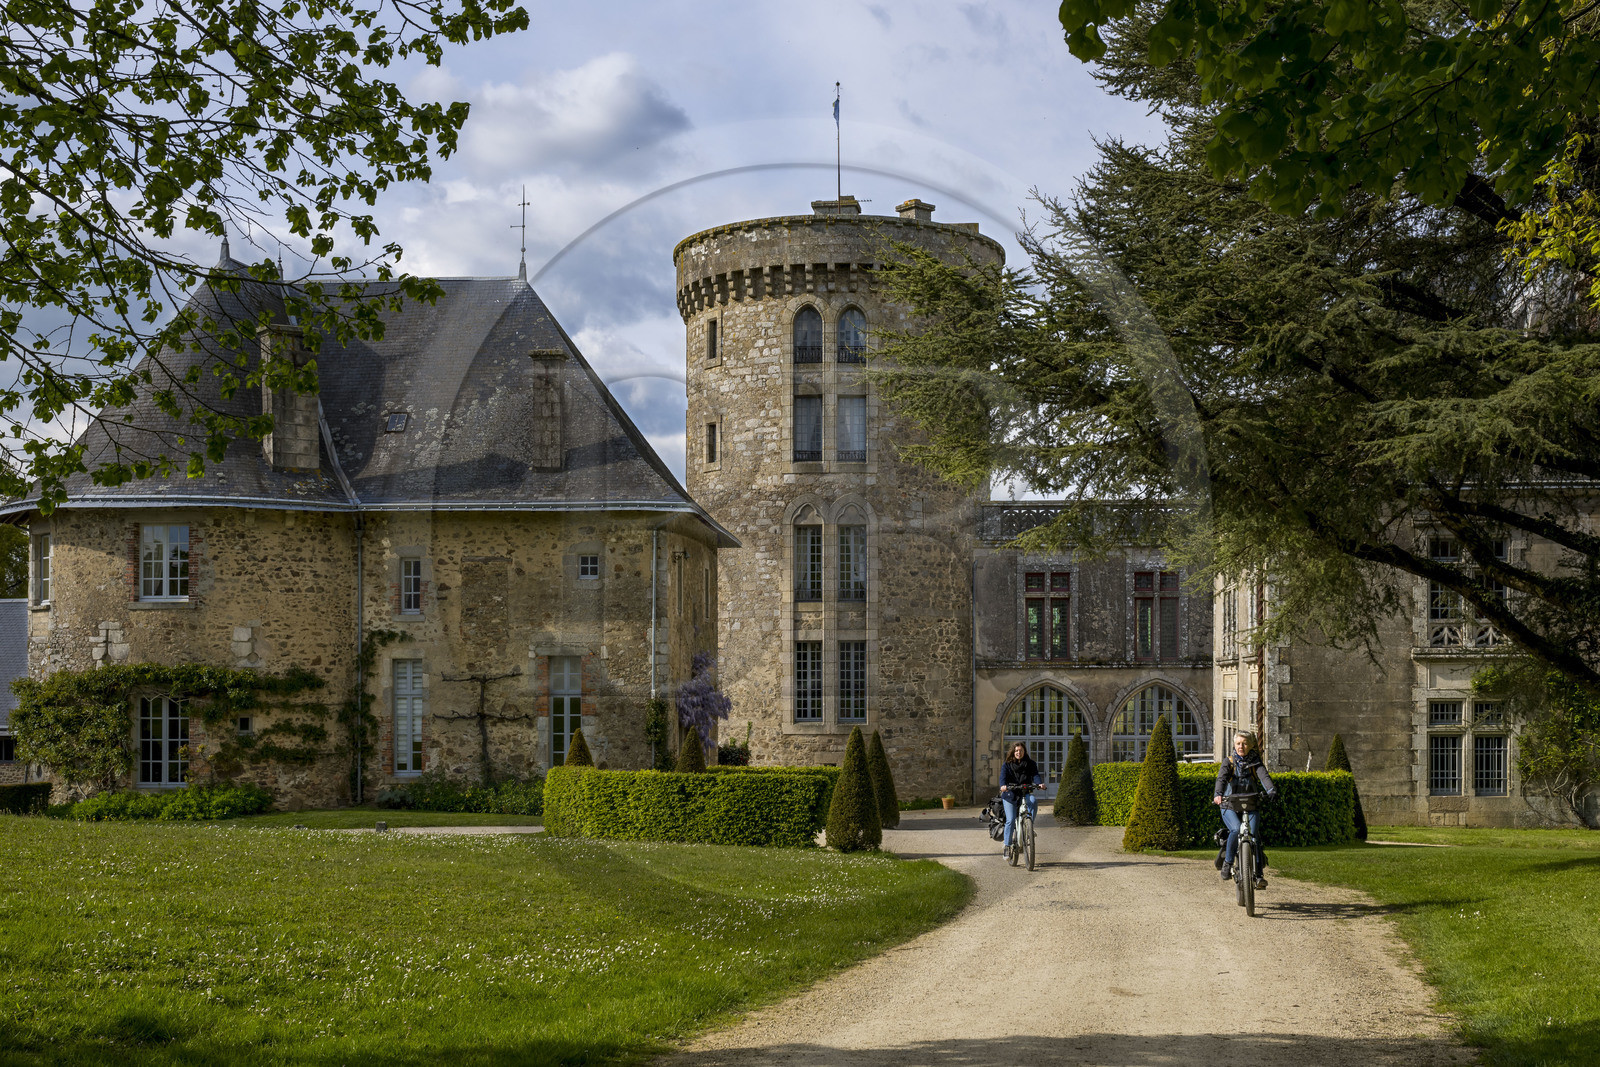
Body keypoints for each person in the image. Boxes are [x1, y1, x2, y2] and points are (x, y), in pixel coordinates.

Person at [1213, 730, 1278, 889]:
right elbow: (1221, 779)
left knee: (1254, 837)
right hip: (1229, 805)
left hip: (1251, 805)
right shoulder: (1228, 762)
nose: (1241, 746)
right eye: (1238, 743)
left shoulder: (1256, 763)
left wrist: (1271, 791)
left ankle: (1258, 876)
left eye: (1245, 743)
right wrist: (1218, 794)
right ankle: (1228, 863)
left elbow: (1264, 777)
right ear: (1234, 745)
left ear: (1250, 745)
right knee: (1236, 830)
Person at [999, 741, 1042, 859]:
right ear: (1013, 752)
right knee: (1011, 819)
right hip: (1010, 794)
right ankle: (1007, 846)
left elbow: (1035, 775)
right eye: (1016, 751)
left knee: (1033, 801)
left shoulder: (1030, 763)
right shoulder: (1007, 764)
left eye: (1021, 751)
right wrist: (1003, 786)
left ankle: (1029, 827)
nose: (1019, 752)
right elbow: (1002, 778)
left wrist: (1039, 784)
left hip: (1024, 792)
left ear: (1024, 752)